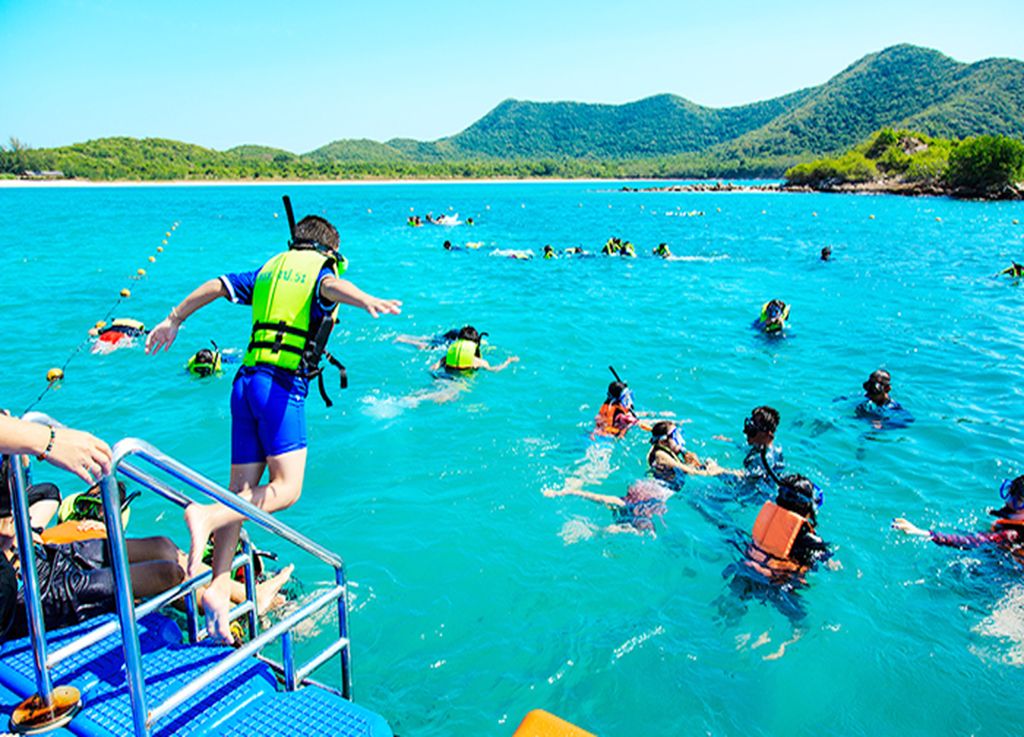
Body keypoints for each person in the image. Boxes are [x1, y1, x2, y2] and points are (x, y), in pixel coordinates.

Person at [145, 208, 401, 642]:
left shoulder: (268, 271)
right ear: (329, 251)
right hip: (280, 390)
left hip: (245, 384)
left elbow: (216, 285)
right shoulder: (322, 273)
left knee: (242, 494)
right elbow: (330, 287)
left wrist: (174, 319)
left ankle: (218, 588)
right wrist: (365, 299)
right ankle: (205, 515)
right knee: (286, 489)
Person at [893, 475, 1024, 558]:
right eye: (1010, 493)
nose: (1008, 502)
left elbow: (972, 541)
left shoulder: (1011, 534)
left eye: (1018, 501)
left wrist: (923, 533)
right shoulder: (1011, 526)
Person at [745, 470, 830, 584]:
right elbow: (828, 562)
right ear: (807, 508)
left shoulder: (769, 518)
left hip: (747, 568)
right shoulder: (809, 539)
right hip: (777, 584)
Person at [543, 478, 672, 537]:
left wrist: (563, 492)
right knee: (625, 530)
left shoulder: (622, 501)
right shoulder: (655, 503)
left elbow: (592, 496)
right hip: (645, 526)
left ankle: (592, 532)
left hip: (631, 523)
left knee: (612, 529)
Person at [647, 421, 737, 486]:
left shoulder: (664, 453)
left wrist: (694, 463)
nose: (680, 440)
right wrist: (714, 470)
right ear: (663, 442)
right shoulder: (661, 455)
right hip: (652, 495)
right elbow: (693, 473)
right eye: (675, 436)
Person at [432, 326, 518, 373]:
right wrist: (508, 361)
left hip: (443, 378)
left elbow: (433, 368)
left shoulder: (446, 358)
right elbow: (494, 370)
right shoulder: (478, 362)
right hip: (459, 385)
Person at [740, 406, 785, 481]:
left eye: (753, 428)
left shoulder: (765, 458)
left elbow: (751, 478)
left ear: (767, 435)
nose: (748, 430)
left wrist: (721, 471)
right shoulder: (761, 446)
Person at [394, 327, 460, 351]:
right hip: (454, 341)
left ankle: (404, 337)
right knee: (426, 347)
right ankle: (403, 340)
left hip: (458, 332)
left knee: (430, 338)